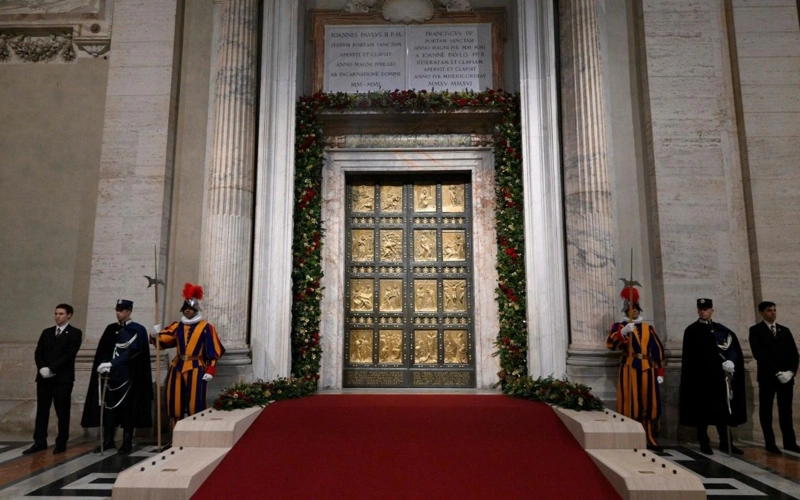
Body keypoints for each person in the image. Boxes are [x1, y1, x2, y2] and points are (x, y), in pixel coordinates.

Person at [81, 299, 153, 454]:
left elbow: (132, 350)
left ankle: (127, 440)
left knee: (128, 409)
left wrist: (112, 363)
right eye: (117, 310)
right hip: (110, 377)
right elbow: (104, 350)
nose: (118, 313)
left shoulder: (137, 330)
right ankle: (108, 440)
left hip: (128, 376)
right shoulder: (111, 329)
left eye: (121, 310)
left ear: (128, 311)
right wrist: (103, 364)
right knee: (108, 408)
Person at [679, 298, 746, 455]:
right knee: (702, 412)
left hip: (719, 378)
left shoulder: (721, 330)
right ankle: (704, 442)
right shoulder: (692, 330)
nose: (703, 311)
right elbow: (689, 357)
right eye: (701, 309)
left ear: (712, 310)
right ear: (697, 310)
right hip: (701, 378)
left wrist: (730, 361)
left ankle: (726, 442)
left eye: (706, 309)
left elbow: (732, 348)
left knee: (722, 411)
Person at [152, 283, 225, 421]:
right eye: (185, 308)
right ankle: (176, 434)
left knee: (195, 404)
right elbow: (164, 341)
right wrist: (155, 334)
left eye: (190, 308)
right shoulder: (177, 326)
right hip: (177, 366)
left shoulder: (207, 328)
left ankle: (195, 433)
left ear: (195, 309)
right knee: (175, 402)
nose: (187, 310)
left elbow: (213, 350)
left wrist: (210, 369)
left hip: (197, 367)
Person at [606, 285, 665, 452]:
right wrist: (623, 332)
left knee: (648, 403)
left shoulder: (648, 328)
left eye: (636, 309)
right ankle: (631, 435)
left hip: (647, 368)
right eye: (631, 309)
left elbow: (657, 350)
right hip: (629, 367)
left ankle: (649, 436)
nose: (635, 312)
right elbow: (611, 344)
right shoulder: (620, 326)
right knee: (631, 402)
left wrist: (660, 371)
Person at [24, 304, 83, 455]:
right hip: (44, 378)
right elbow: (38, 352)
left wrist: (52, 369)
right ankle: (39, 441)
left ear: (69, 315)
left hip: (62, 379)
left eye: (61, 314)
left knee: (62, 411)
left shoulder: (75, 333)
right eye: (56, 313)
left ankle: (61, 441)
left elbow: (69, 355)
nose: (58, 316)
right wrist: (42, 368)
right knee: (42, 411)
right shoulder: (47, 332)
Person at [749, 301, 800, 454]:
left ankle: (789, 442)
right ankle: (770, 442)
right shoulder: (756, 330)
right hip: (768, 377)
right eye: (769, 310)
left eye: (774, 310)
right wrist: (776, 372)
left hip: (786, 377)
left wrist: (790, 372)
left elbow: (794, 354)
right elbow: (759, 355)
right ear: (761, 313)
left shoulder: (784, 330)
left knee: (786, 410)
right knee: (766, 410)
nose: (773, 313)